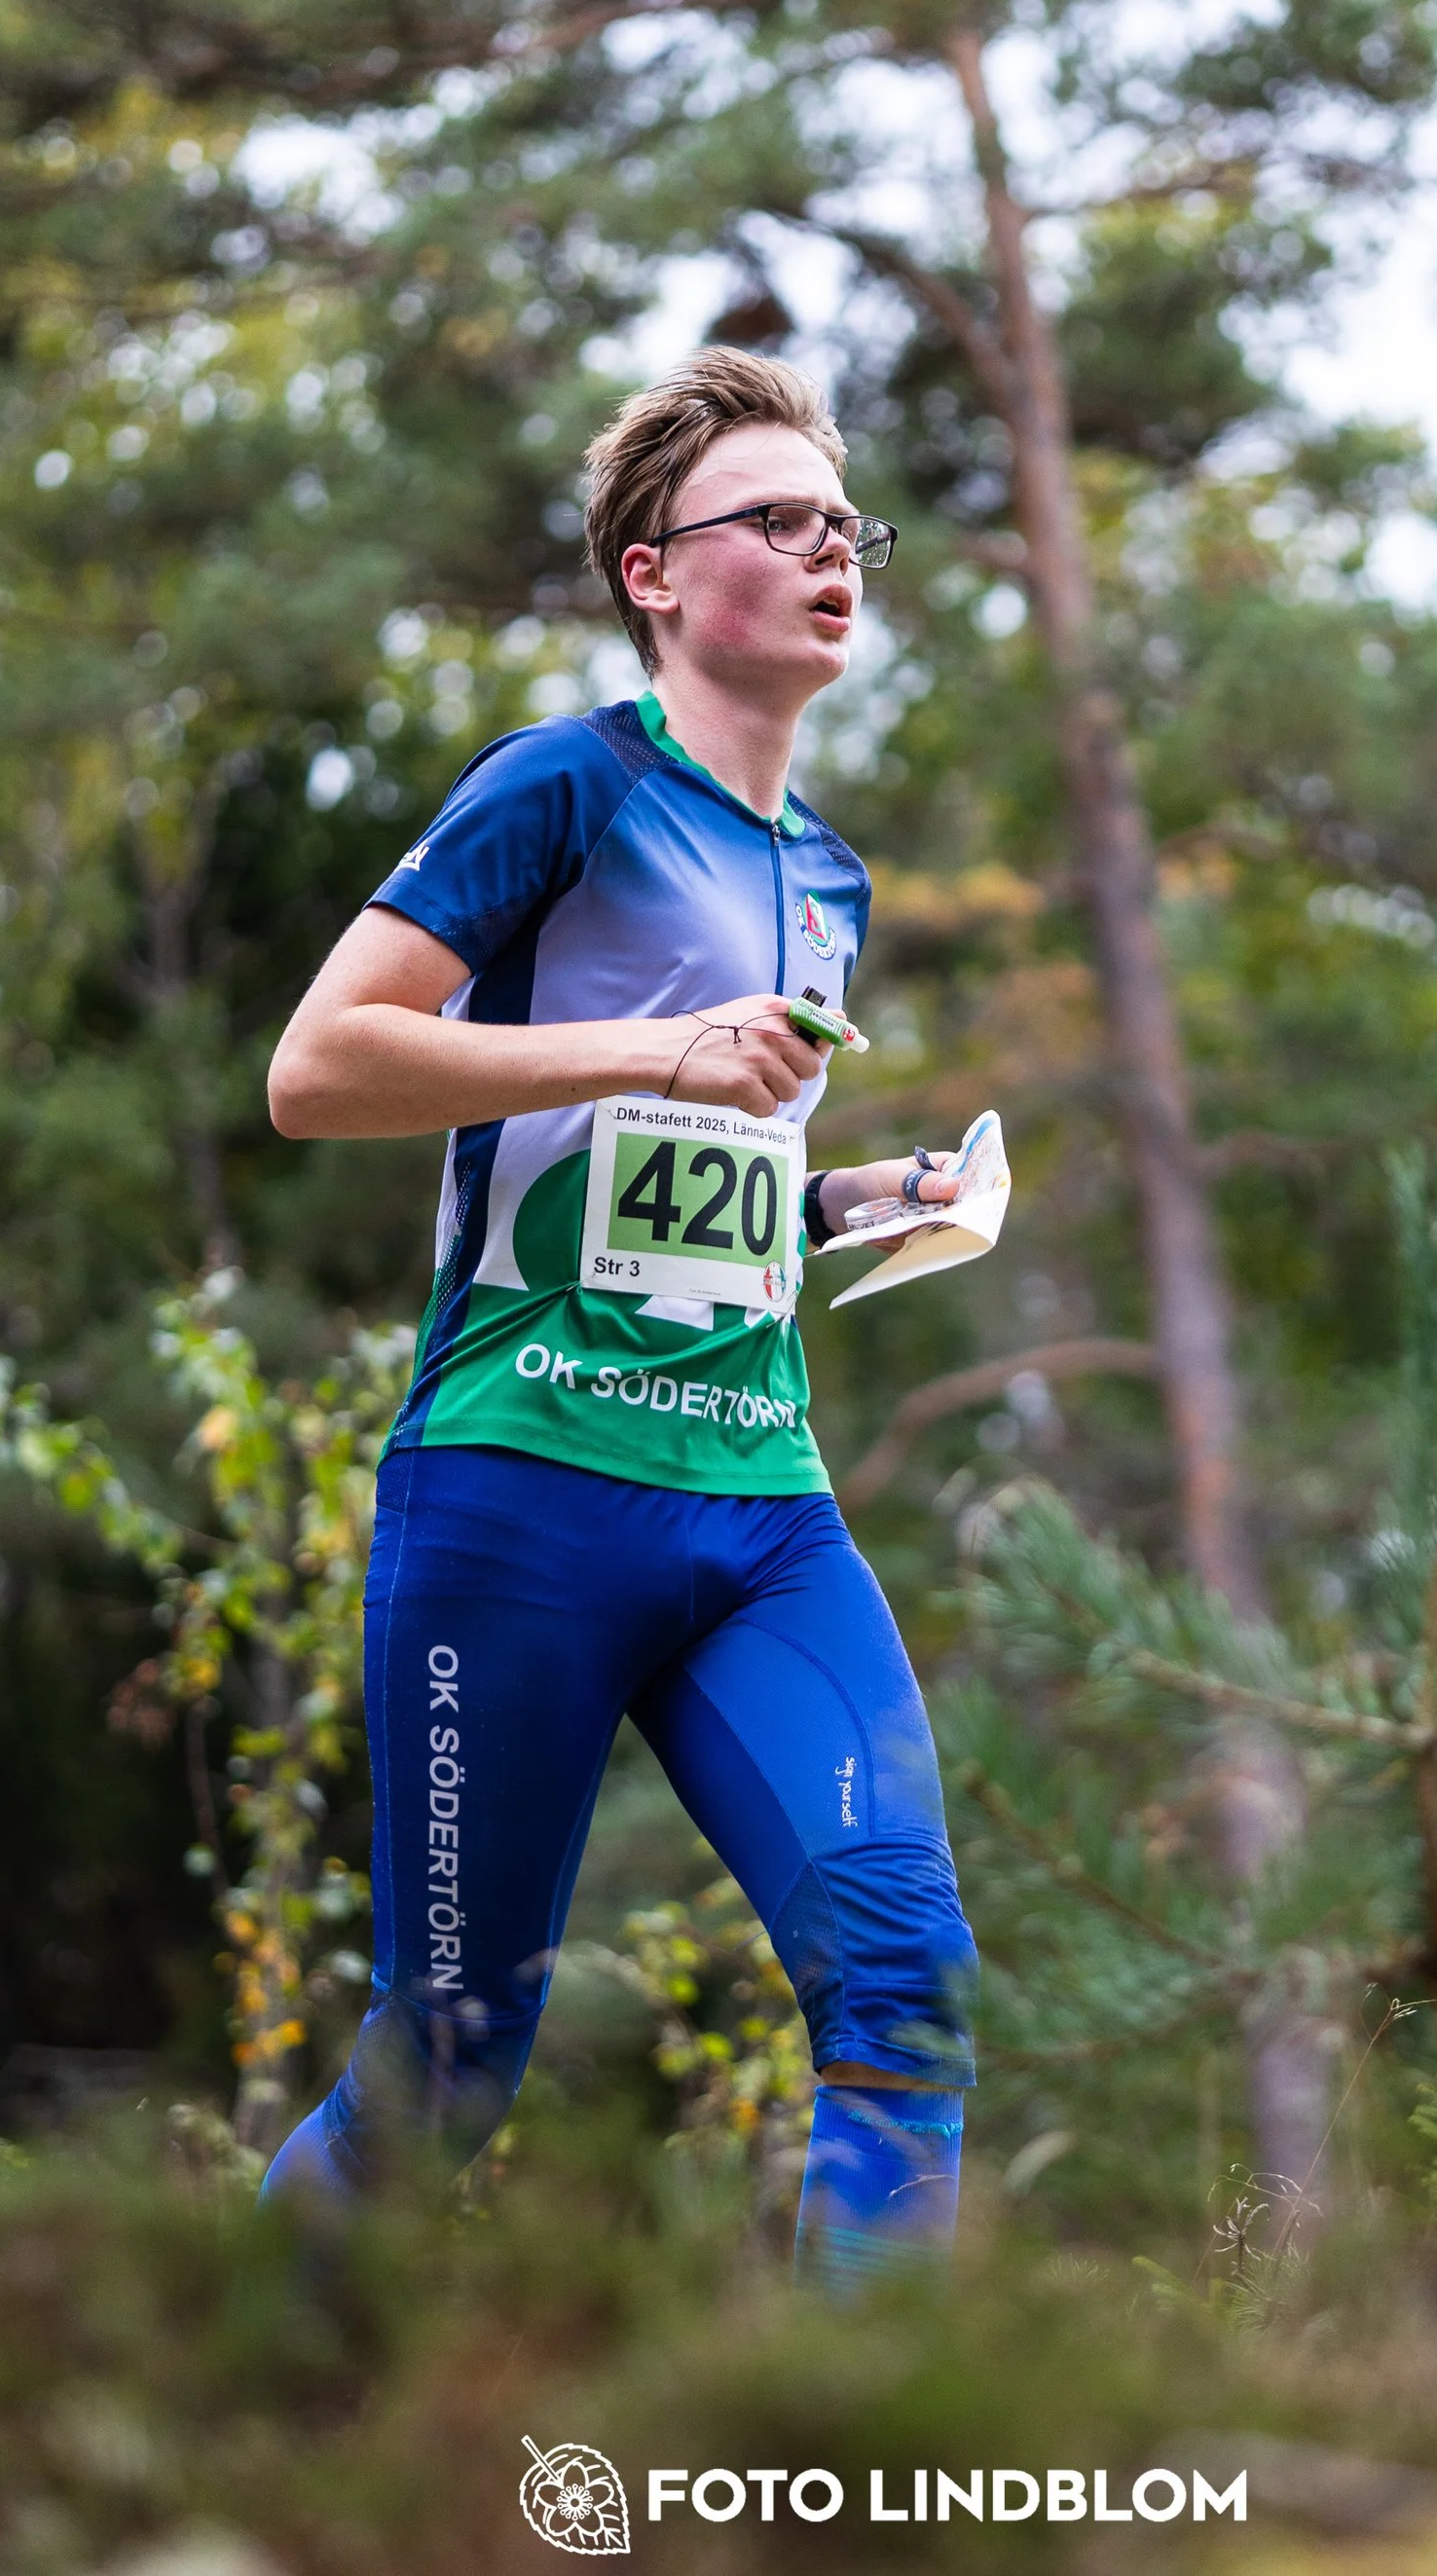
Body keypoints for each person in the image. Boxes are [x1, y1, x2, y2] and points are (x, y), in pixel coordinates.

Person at [258, 346, 977, 2287]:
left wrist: (855, 1199)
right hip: (521, 1489)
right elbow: (318, 1067)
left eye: (848, 524)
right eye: (778, 520)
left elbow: (673, 1189)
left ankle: (858, 2477)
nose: (832, 552)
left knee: (904, 1974)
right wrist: (660, 1039)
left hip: (758, 1501)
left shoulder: (821, 872)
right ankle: (218, 2414)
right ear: (656, 571)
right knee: (450, 2066)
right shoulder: (563, 786)